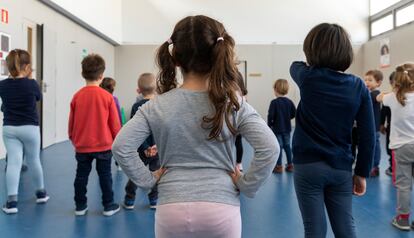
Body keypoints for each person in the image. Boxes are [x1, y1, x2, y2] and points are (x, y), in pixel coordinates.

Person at [113, 15, 278, 238]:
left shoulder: (156, 106)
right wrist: (247, 184)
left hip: (172, 208)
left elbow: (121, 146)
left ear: (176, 59)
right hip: (221, 208)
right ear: (217, 54)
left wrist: (148, 180)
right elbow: (270, 148)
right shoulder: (233, 103)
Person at [290, 23, 375, 238]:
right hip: (341, 167)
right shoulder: (358, 86)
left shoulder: (307, 77)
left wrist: (312, 62)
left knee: (314, 229)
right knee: (346, 227)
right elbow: (368, 136)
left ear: (311, 52)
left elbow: (294, 65)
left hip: (307, 166)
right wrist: (362, 173)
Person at [68, 54, 121, 216]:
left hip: (82, 146)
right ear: (101, 75)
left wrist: (73, 138)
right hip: (104, 146)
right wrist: (117, 140)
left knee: (81, 176)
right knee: (105, 176)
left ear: (83, 74)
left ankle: (80, 206)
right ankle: (108, 205)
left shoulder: (77, 96)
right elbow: (115, 124)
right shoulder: (107, 97)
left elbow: (72, 122)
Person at [0, 49, 49, 214]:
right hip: (30, 128)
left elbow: (4, 105)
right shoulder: (32, 84)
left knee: (14, 162)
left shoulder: (2, 85)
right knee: (34, 160)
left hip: (10, 129)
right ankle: (41, 193)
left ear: (8, 66)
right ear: (27, 66)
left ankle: (12, 202)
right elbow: (37, 98)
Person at [377, 63, 414, 230]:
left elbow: (379, 98)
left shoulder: (394, 97)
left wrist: (391, 91)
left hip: (402, 148)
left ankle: (403, 219)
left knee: (404, 184)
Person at [123, 73, 160, 210]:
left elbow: (135, 130)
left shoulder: (136, 106)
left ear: (139, 89)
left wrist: (145, 147)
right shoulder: (160, 105)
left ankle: (129, 199)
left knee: (136, 174)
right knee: (156, 174)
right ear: (156, 88)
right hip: (157, 149)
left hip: (141, 149)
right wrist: (156, 146)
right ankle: (154, 200)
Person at [268, 79, 296, 173]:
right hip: (287, 129)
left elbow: (271, 116)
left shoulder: (274, 103)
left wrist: (270, 126)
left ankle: (279, 166)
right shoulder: (289, 102)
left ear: (276, 89)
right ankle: (290, 165)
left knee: (279, 147)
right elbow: (294, 113)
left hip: (277, 129)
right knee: (287, 146)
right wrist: (287, 118)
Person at [100, 77, 123, 171]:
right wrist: (120, 126)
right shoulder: (114, 99)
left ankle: (105, 164)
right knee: (116, 147)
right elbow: (118, 114)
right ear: (112, 88)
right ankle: (118, 164)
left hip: (103, 128)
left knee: (105, 148)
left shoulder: (100, 99)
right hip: (113, 128)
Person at [364, 70, 383, 177]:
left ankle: (375, 166)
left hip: (374, 127)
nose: (367, 82)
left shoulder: (375, 94)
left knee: (374, 147)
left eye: (370, 80)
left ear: (378, 83)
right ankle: (370, 165)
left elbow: (378, 98)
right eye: (365, 80)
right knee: (369, 146)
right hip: (367, 126)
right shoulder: (368, 93)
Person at [381, 72, 395, 176]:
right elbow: (383, 112)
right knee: (390, 148)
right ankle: (392, 166)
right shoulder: (389, 97)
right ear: (391, 82)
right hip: (391, 128)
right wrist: (381, 124)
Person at [235, 71, 248, 171]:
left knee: (238, 144)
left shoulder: (242, 98)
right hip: (232, 126)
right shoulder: (243, 97)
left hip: (237, 126)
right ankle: (237, 163)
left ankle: (239, 163)